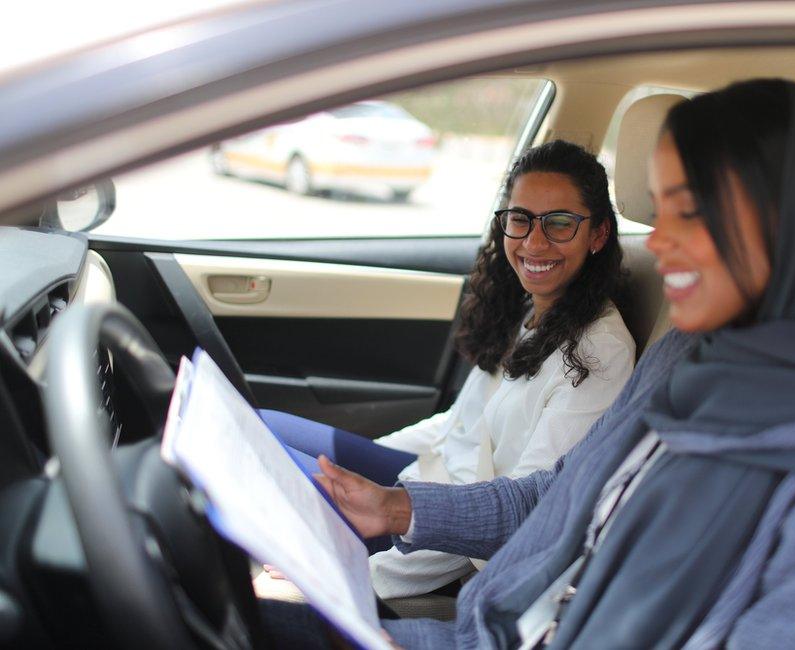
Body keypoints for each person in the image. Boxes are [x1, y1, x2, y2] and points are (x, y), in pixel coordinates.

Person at [266, 79, 795, 649]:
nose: (659, 242)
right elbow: (556, 500)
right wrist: (394, 508)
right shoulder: (691, 359)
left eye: (690, 212)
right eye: (659, 210)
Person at [261, 139, 636, 597]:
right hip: (420, 481)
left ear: (598, 234)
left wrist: (363, 574)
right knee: (259, 431)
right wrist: (365, 462)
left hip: (437, 532)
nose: (534, 242)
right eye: (520, 220)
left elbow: (515, 510)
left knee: (261, 477)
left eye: (559, 223)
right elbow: (457, 426)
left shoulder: (598, 354)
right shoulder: (533, 308)